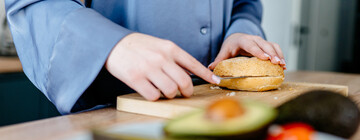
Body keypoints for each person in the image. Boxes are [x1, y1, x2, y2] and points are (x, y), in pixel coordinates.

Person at [5, 0, 286, 114]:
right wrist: (110, 44)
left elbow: (244, 4)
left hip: (222, 110)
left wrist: (240, 31)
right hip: (118, 114)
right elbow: (32, 4)